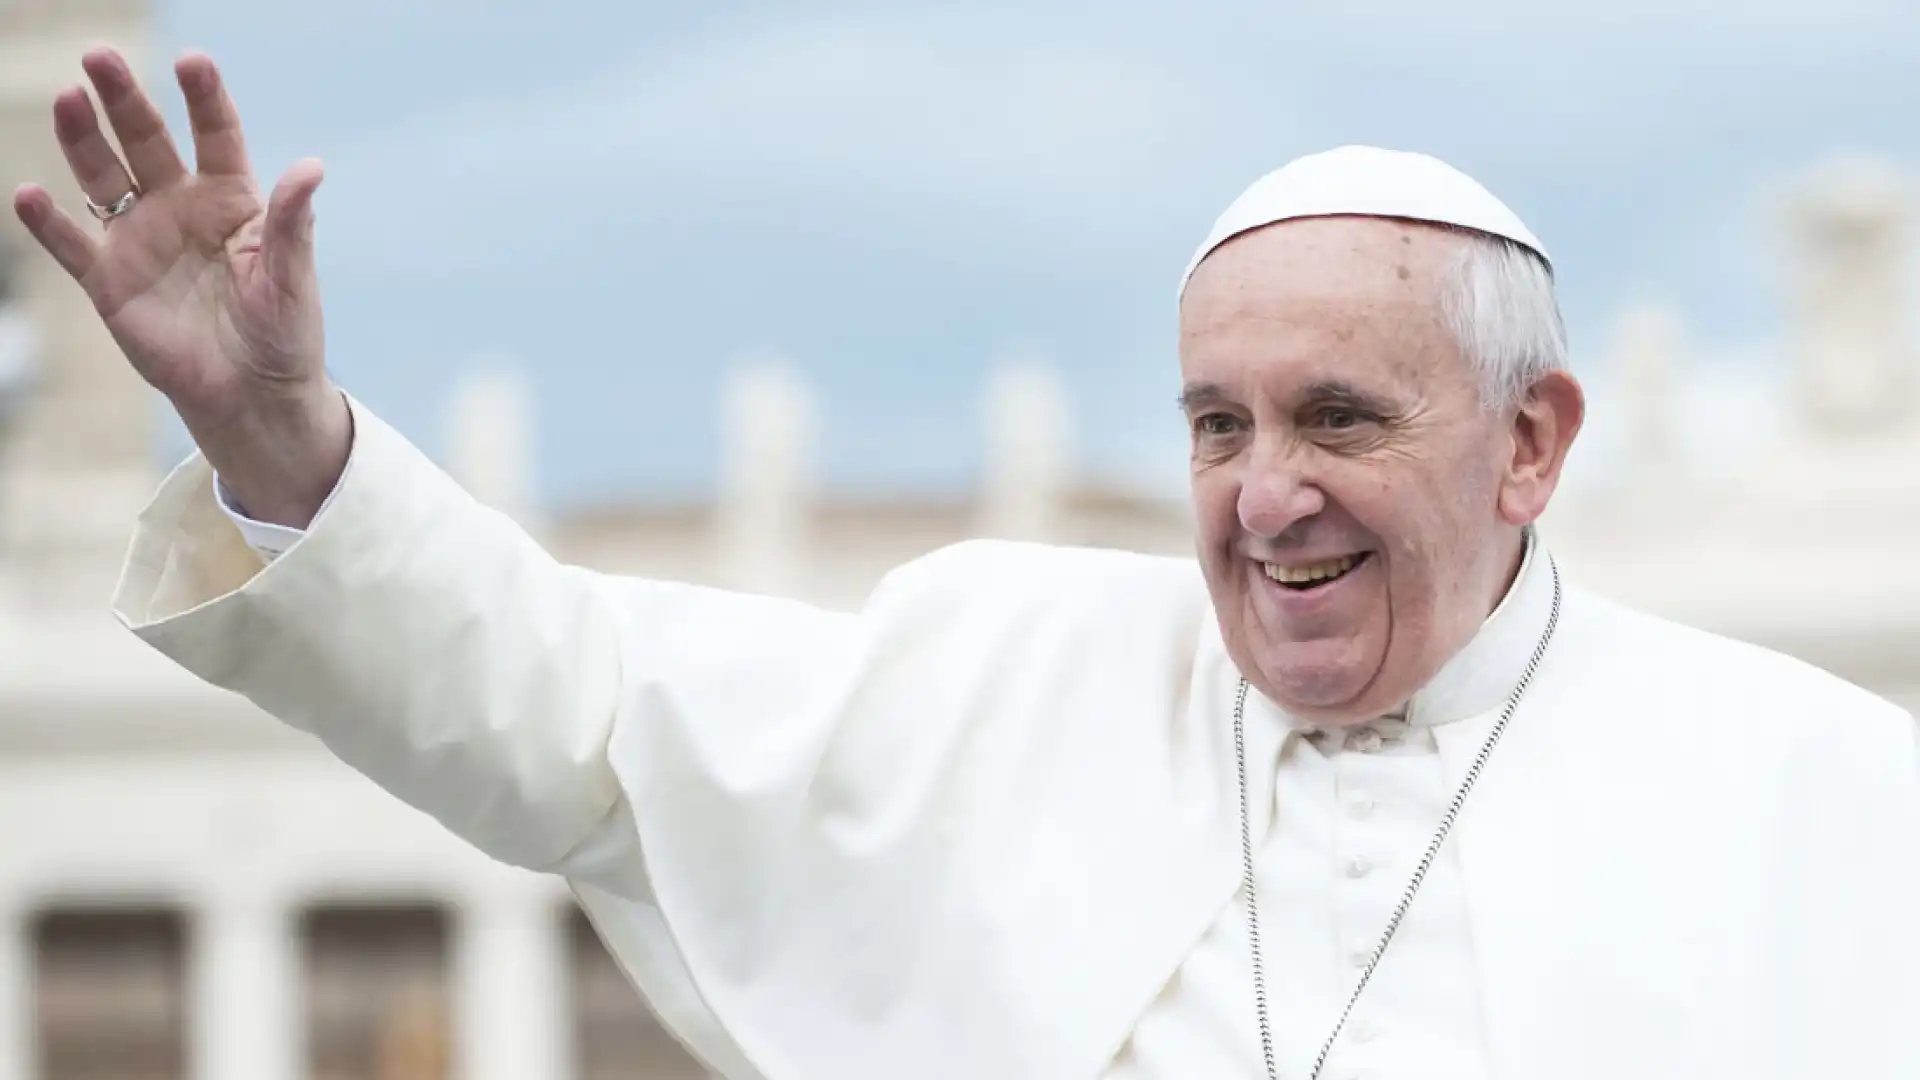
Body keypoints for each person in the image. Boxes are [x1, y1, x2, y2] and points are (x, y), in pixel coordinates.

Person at [13, 45, 1920, 1080]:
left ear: (1532, 443)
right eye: (1213, 426)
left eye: (1339, 419)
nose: (1264, 498)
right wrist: (272, 439)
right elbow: (576, 713)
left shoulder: (1830, 797)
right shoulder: (1008, 673)